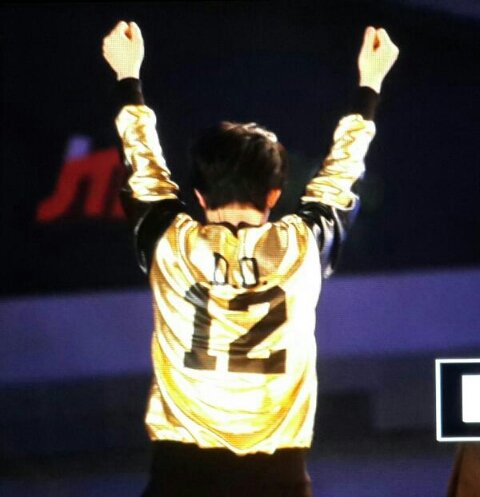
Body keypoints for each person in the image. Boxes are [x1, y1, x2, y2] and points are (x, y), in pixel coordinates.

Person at [102, 20, 399, 497]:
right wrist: (370, 85)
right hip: (278, 477)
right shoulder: (300, 246)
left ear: (199, 197)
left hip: (181, 475)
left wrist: (127, 77)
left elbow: (144, 166)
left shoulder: (170, 243)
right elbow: (341, 176)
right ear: (275, 195)